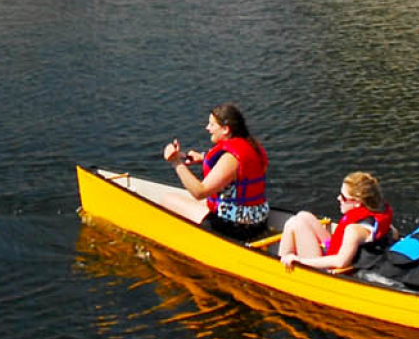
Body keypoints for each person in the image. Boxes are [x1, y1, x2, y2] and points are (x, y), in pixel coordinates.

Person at [158, 103, 269, 240]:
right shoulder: (251, 146)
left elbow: (200, 192)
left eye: (211, 125)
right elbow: (238, 171)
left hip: (236, 228)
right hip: (258, 222)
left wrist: (176, 162)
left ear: (225, 129)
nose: (207, 128)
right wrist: (202, 158)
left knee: (168, 199)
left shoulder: (230, 158)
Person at [278, 171, 394, 271]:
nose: (338, 198)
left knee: (294, 223)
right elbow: (393, 233)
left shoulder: (353, 230)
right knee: (304, 216)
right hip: (335, 250)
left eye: (343, 197)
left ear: (357, 202)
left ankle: (281, 266)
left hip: (327, 268)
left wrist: (299, 260)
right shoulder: (379, 213)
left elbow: (340, 262)